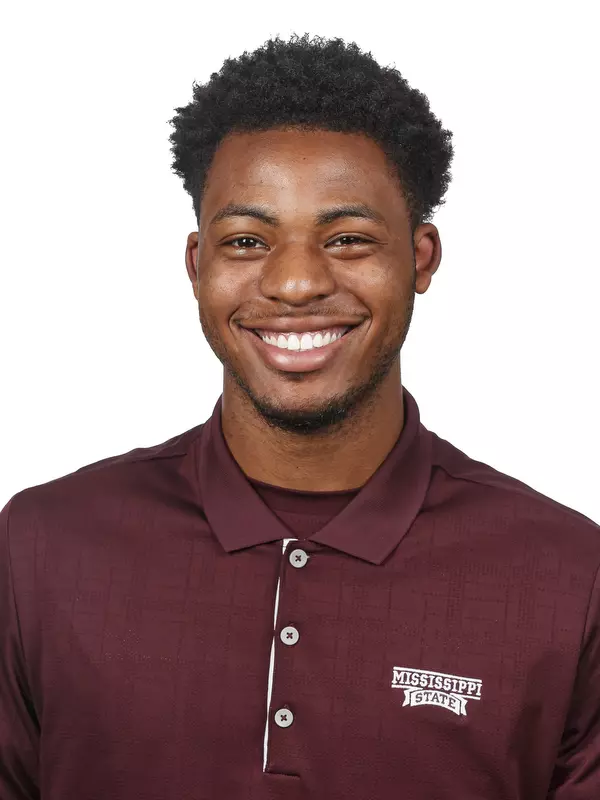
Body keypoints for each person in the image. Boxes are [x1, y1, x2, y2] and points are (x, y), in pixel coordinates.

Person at [1, 32, 598, 800]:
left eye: (347, 239)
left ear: (421, 259)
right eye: (247, 240)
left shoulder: (567, 577)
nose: (293, 283)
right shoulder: (44, 548)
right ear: (197, 265)